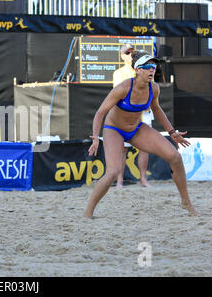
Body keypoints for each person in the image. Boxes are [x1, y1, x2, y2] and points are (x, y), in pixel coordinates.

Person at [84, 50, 196, 218]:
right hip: (114, 129)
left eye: (153, 66)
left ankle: (185, 201)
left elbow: (157, 110)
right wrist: (95, 137)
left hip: (136, 129)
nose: (152, 70)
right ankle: (88, 211)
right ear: (137, 70)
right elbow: (100, 112)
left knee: (175, 157)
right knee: (113, 171)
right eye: (147, 67)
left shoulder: (154, 88)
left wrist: (172, 132)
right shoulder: (123, 88)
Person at [112, 44, 152, 188]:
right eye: (127, 53)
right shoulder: (119, 73)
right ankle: (120, 180)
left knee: (144, 147)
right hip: (127, 115)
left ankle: (143, 179)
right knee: (123, 148)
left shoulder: (144, 69)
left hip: (143, 113)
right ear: (122, 56)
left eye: (133, 52)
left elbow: (150, 89)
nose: (131, 55)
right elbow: (119, 95)